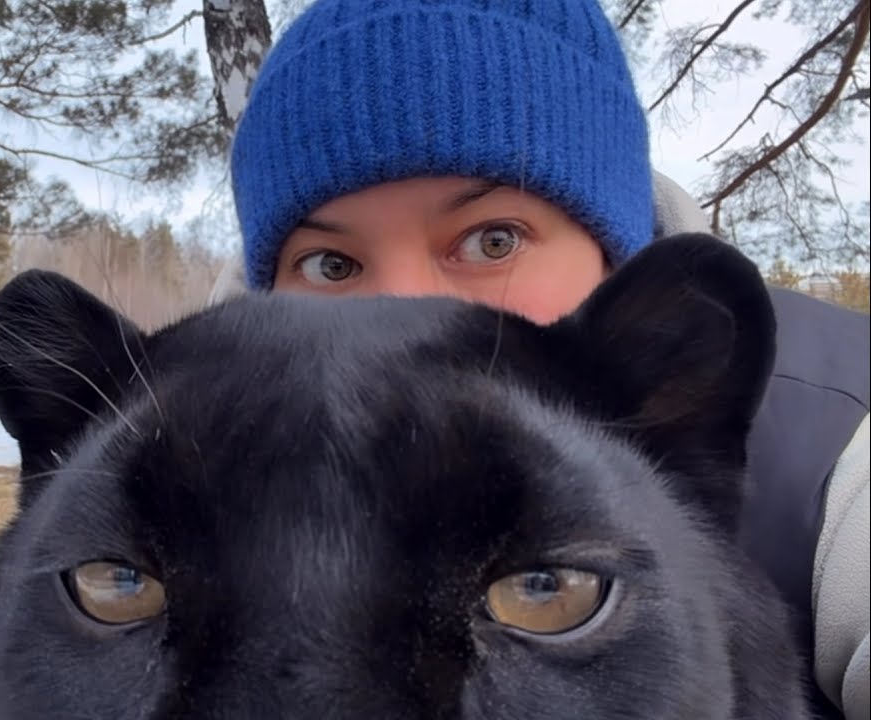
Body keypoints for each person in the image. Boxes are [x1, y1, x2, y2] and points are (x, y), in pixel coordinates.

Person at [215, 1, 870, 718]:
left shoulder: (843, 436)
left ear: (612, 245)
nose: (405, 307)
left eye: (492, 241)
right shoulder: (159, 453)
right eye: (333, 264)